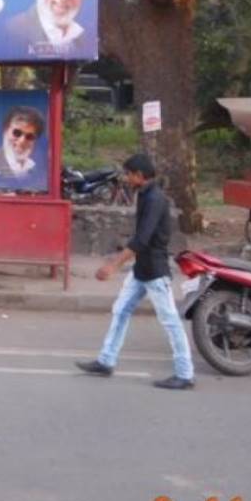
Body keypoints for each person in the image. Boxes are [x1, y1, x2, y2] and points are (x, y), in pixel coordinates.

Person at [76, 153, 195, 390]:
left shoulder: (155, 199)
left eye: (129, 174)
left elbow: (141, 239)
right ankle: (106, 361)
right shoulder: (144, 194)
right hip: (141, 268)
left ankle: (185, 374)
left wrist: (113, 265)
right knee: (120, 311)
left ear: (140, 175)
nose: (126, 178)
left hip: (155, 269)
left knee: (170, 320)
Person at [0, 106, 44, 181]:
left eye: (29, 136)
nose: (22, 141)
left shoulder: (35, 169)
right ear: (5, 131)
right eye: (17, 133)